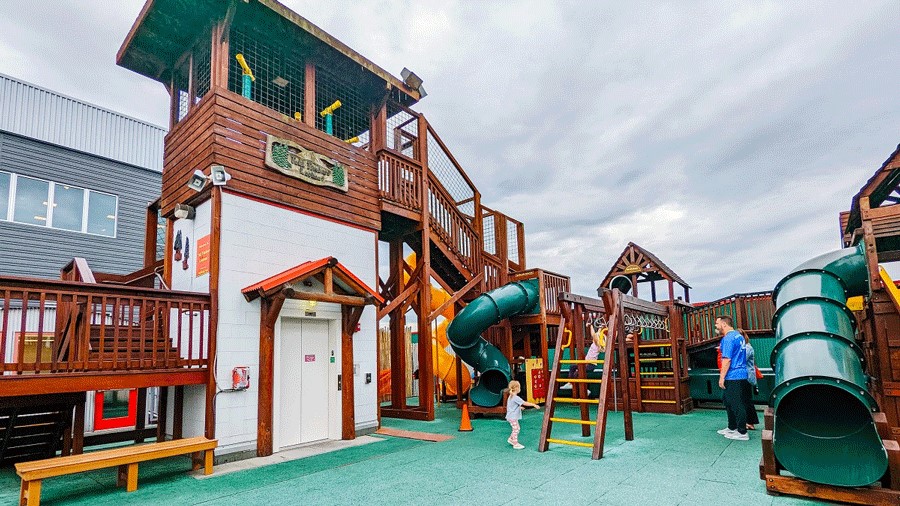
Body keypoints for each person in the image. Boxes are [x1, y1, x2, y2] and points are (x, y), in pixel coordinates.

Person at [715, 315, 750, 441]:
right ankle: (732, 427)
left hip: (733, 375)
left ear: (724, 324)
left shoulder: (728, 338)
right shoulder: (738, 336)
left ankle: (742, 432)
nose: (716, 326)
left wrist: (721, 377)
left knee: (736, 403)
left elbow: (727, 359)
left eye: (717, 324)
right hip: (739, 374)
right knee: (728, 401)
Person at [506, 380, 540, 449]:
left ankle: (511, 439)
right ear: (516, 388)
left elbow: (512, 405)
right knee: (516, 429)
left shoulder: (511, 396)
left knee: (516, 428)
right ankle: (515, 443)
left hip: (510, 416)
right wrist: (533, 405)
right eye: (519, 387)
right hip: (513, 417)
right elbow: (524, 403)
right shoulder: (516, 397)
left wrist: (519, 407)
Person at [741, 331, 761, 430]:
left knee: (747, 400)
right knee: (746, 399)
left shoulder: (747, 348)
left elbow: (741, 359)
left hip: (747, 377)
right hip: (745, 376)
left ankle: (750, 422)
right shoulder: (746, 347)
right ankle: (749, 421)